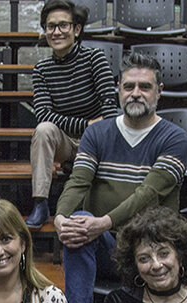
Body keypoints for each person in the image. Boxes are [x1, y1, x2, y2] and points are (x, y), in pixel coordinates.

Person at [53, 52, 187, 303]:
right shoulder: (97, 132)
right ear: (118, 88)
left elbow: (148, 194)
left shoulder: (174, 138)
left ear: (159, 91)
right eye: (129, 86)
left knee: (89, 222)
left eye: (144, 86)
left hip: (152, 250)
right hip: (105, 248)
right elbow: (78, 181)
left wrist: (104, 222)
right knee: (79, 221)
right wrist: (61, 217)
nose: (135, 93)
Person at [25, 0, 118, 228]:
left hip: (96, 141)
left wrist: (92, 128)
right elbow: (44, 115)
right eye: (50, 26)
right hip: (65, 142)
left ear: (76, 30)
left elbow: (109, 110)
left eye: (63, 26)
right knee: (44, 129)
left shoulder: (95, 59)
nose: (56, 32)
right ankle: (40, 203)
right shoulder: (42, 69)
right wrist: (86, 123)